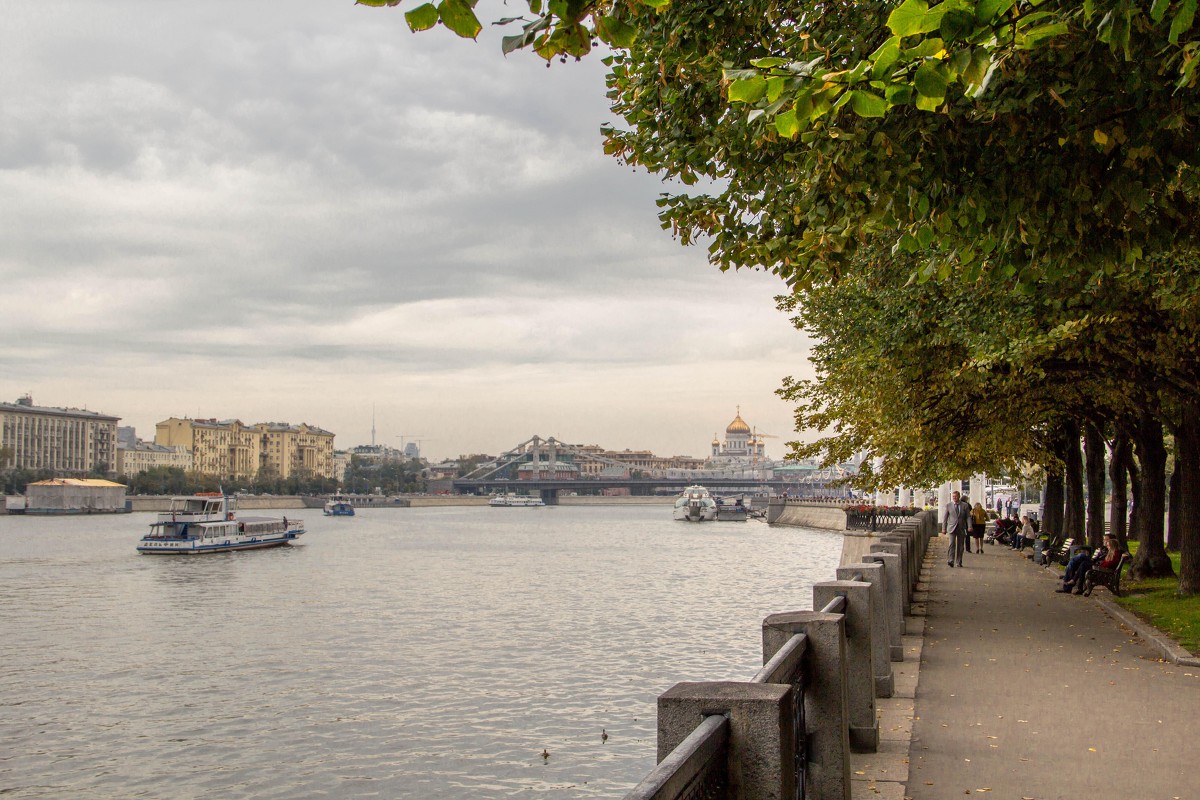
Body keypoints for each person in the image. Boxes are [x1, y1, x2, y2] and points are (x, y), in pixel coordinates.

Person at [941, 490, 972, 567]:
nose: (954, 498)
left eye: (956, 496)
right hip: (951, 527)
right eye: (953, 496)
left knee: (960, 546)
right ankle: (951, 560)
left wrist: (970, 526)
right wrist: (943, 528)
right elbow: (945, 518)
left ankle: (959, 561)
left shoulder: (965, 505)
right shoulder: (949, 505)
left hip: (961, 527)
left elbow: (968, 517)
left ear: (959, 496)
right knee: (951, 544)